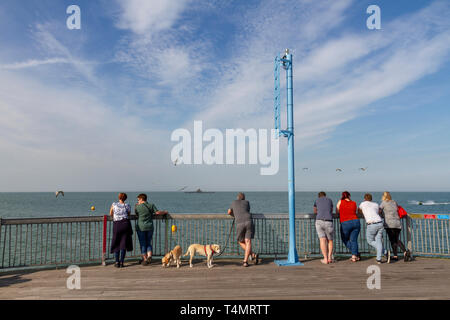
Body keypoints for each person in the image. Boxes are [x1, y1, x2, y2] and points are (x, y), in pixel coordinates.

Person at [135, 193, 168, 265]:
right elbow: (157, 212)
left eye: (138, 200)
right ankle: (149, 256)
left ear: (141, 199)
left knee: (142, 243)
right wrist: (165, 212)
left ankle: (145, 259)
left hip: (141, 227)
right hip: (150, 227)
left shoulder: (137, 207)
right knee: (148, 242)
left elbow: (137, 214)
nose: (138, 201)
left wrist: (137, 206)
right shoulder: (151, 205)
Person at [228, 192, 259, 267]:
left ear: (237, 197)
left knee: (240, 241)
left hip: (240, 223)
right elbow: (247, 210)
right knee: (248, 241)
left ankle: (252, 255)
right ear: (244, 198)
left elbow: (229, 212)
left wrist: (234, 215)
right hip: (249, 221)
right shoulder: (247, 202)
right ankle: (246, 260)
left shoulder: (233, 202)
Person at [379, 191, 411, 262]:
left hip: (389, 224)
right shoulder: (394, 202)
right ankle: (401, 253)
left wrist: (381, 215)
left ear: (383, 196)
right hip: (397, 223)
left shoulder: (383, 203)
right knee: (396, 239)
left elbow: (379, 211)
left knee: (393, 240)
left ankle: (403, 252)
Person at [358, 193, 387, 264]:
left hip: (371, 224)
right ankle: (379, 259)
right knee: (378, 241)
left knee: (370, 241)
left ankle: (385, 251)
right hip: (380, 222)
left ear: (364, 199)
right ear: (371, 199)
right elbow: (378, 212)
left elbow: (358, 211)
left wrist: (364, 213)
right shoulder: (376, 204)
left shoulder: (363, 204)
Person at [109, 193, 133, 268]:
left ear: (119, 197)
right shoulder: (127, 205)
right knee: (123, 243)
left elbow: (110, 213)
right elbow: (129, 214)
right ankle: (122, 262)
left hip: (117, 225)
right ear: (125, 198)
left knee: (116, 242)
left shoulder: (114, 204)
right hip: (125, 224)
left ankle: (117, 262)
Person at [336, 191, 361, 262]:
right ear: (349, 196)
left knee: (345, 239)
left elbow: (337, 211)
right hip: (356, 222)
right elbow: (354, 211)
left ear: (342, 196)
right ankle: (354, 256)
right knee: (354, 240)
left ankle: (355, 253)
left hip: (345, 223)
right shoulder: (354, 203)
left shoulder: (340, 202)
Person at [313, 191, 334, 264]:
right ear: (325, 195)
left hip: (319, 221)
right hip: (328, 221)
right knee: (330, 240)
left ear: (319, 196)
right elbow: (331, 210)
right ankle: (329, 258)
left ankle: (325, 259)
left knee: (322, 240)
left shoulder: (316, 200)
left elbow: (315, 211)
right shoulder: (330, 200)